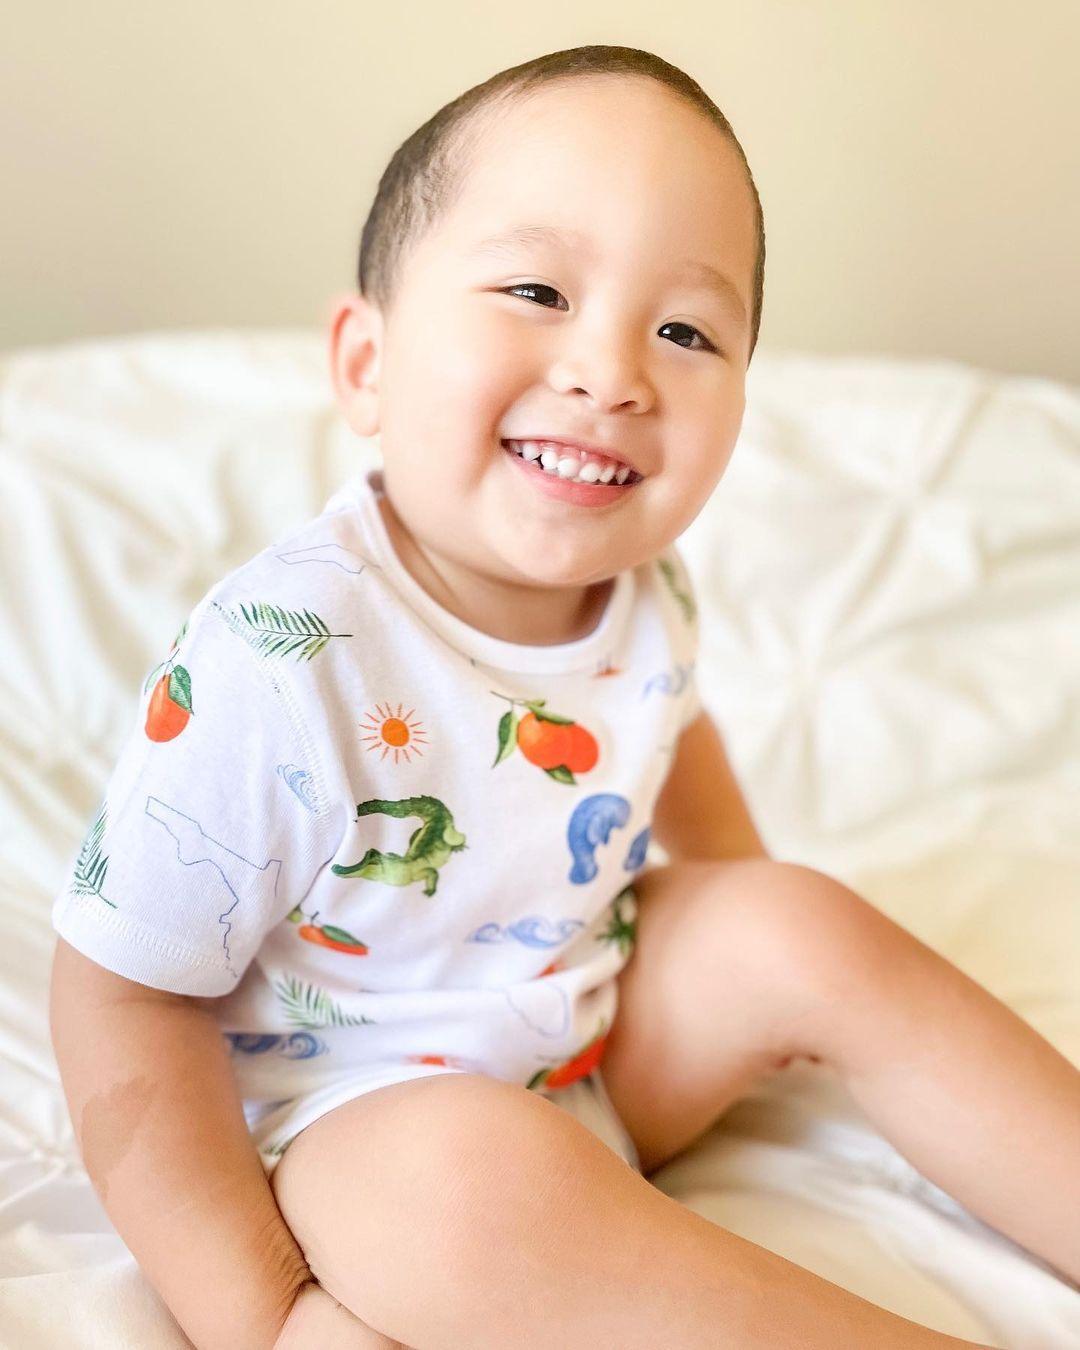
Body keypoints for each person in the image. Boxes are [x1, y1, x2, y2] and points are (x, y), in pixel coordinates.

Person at [48, 43, 1079, 1350]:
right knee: (456, 1187)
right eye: (538, 290)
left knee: (795, 916)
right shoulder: (285, 651)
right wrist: (262, 1309)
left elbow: (667, 743)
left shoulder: (645, 587)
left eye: (686, 330)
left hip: (584, 1048)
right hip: (350, 1138)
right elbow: (120, 997)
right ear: (366, 363)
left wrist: (755, 947)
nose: (611, 371)